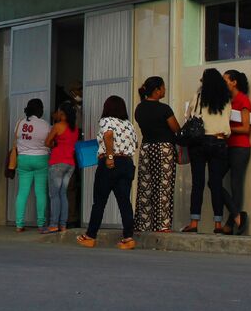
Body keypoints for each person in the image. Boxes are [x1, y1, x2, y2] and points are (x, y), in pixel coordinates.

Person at [77, 95, 139, 249]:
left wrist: (109, 156)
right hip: (126, 162)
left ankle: (90, 236)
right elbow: (135, 144)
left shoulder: (107, 120)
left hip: (110, 163)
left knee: (99, 202)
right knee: (124, 202)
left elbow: (108, 135)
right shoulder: (129, 124)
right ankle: (128, 237)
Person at [180, 68, 232, 234]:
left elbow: (188, 116)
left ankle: (194, 223)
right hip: (219, 142)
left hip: (199, 143)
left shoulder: (199, 96)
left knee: (198, 184)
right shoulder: (226, 99)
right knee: (216, 184)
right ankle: (218, 225)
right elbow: (227, 120)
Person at [133, 76, 180, 233]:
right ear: (157, 90)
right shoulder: (164, 109)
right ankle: (162, 224)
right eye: (163, 87)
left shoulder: (139, 108)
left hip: (146, 148)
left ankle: (143, 223)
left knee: (146, 186)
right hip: (163, 148)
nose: (164, 90)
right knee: (163, 186)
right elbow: (176, 128)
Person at [221, 69, 251, 235]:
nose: (223, 83)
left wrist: (228, 129)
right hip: (228, 146)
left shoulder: (242, 100)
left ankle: (230, 223)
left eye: (225, 80)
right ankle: (237, 216)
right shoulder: (226, 101)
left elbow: (246, 127)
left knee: (235, 184)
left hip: (240, 147)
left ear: (234, 82)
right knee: (214, 181)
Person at [12, 98, 50, 232]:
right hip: (41, 159)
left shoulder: (20, 123)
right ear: (39, 110)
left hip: (23, 159)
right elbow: (49, 141)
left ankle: (19, 225)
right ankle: (41, 225)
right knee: (40, 193)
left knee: (22, 192)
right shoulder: (45, 124)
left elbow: (16, 137)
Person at [43, 101, 78, 233]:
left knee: (54, 195)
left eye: (58, 111)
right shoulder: (74, 128)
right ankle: (63, 224)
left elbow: (47, 142)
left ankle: (53, 224)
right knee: (63, 194)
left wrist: (54, 146)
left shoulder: (58, 126)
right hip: (70, 164)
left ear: (62, 113)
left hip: (57, 162)